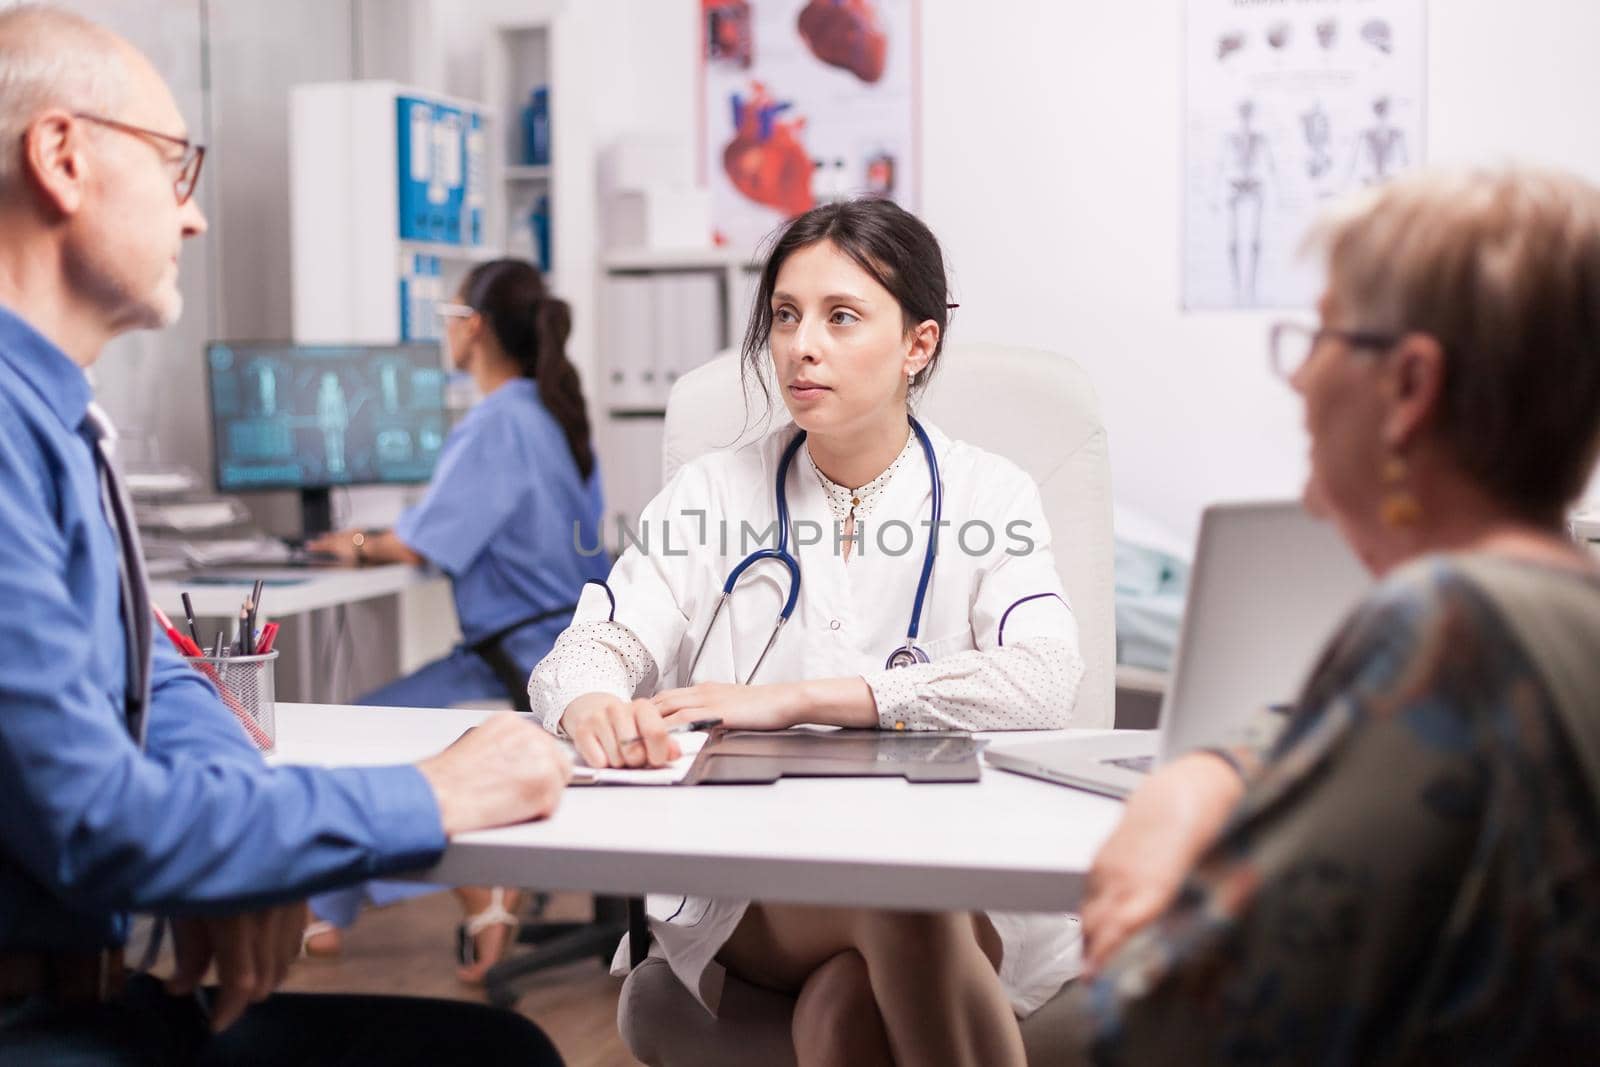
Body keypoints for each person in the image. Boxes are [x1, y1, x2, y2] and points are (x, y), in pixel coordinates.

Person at [0, 7, 572, 1063]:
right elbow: (94, 815)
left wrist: (245, 838)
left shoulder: (54, 418)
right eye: (176, 166)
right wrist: (435, 791)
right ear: (62, 157)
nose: (197, 218)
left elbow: (159, 669)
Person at [529, 197, 1087, 1067]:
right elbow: (585, 652)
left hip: (951, 860)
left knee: (841, 1016)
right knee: (897, 899)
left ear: (918, 345)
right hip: (759, 881)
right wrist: (594, 702)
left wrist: (802, 700)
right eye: (785, 316)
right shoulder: (713, 494)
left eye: (841, 317)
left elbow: (1048, 677)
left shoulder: (990, 496)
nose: (802, 345)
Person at [1063, 166, 1600, 1063]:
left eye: (1322, 335)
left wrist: (1146, 887)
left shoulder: (1445, 621)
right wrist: (1205, 771)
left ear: (1410, 385)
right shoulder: (1555, 613)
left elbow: (1171, 1033)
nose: (1301, 376)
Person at [301, 258, 608, 981]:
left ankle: (460, 891)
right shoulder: (554, 410)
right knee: (374, 724)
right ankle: (327, 910)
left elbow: (424, 540)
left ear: (471, 329)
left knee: (354, 731)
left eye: (449, 318)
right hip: (565, 647)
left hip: (518, 659)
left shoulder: (497, 422)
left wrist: (351, 544)